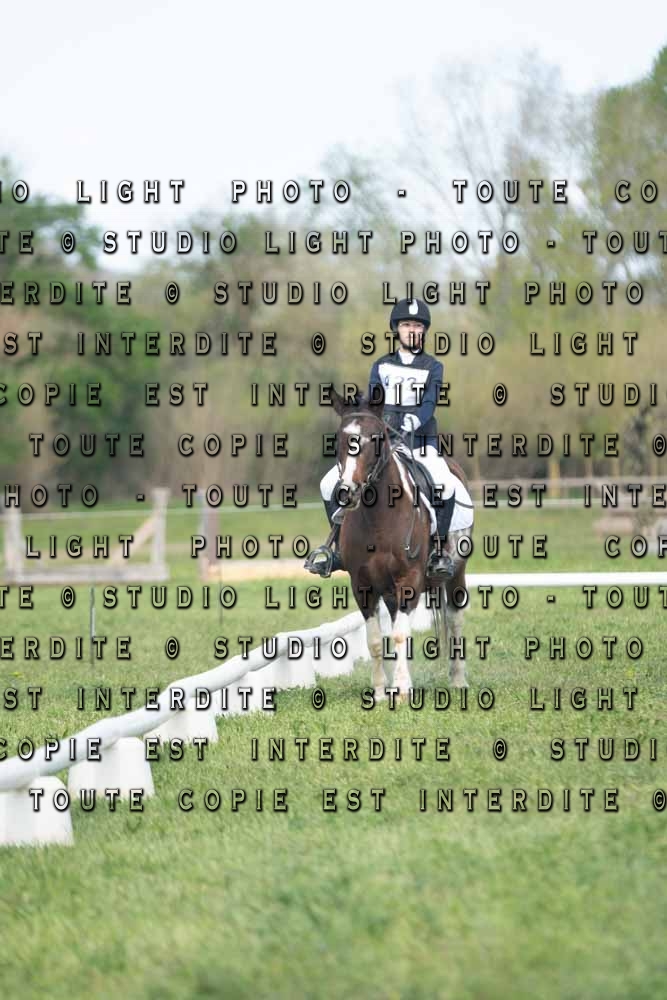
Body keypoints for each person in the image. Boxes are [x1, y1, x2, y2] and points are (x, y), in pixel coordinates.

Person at [305, 297, 461, 578]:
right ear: (397, 329)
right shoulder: (381, 365)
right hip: (384, 443)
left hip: (420, 443)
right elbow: (372, 401)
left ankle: (438, 552)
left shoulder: (433, 367)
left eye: (417, 326)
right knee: (329, 483)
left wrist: (415, 419)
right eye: (406, 325)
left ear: (424, 331)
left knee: (445, 484)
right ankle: (338, 549)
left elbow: (430, 402)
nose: (412, 330)